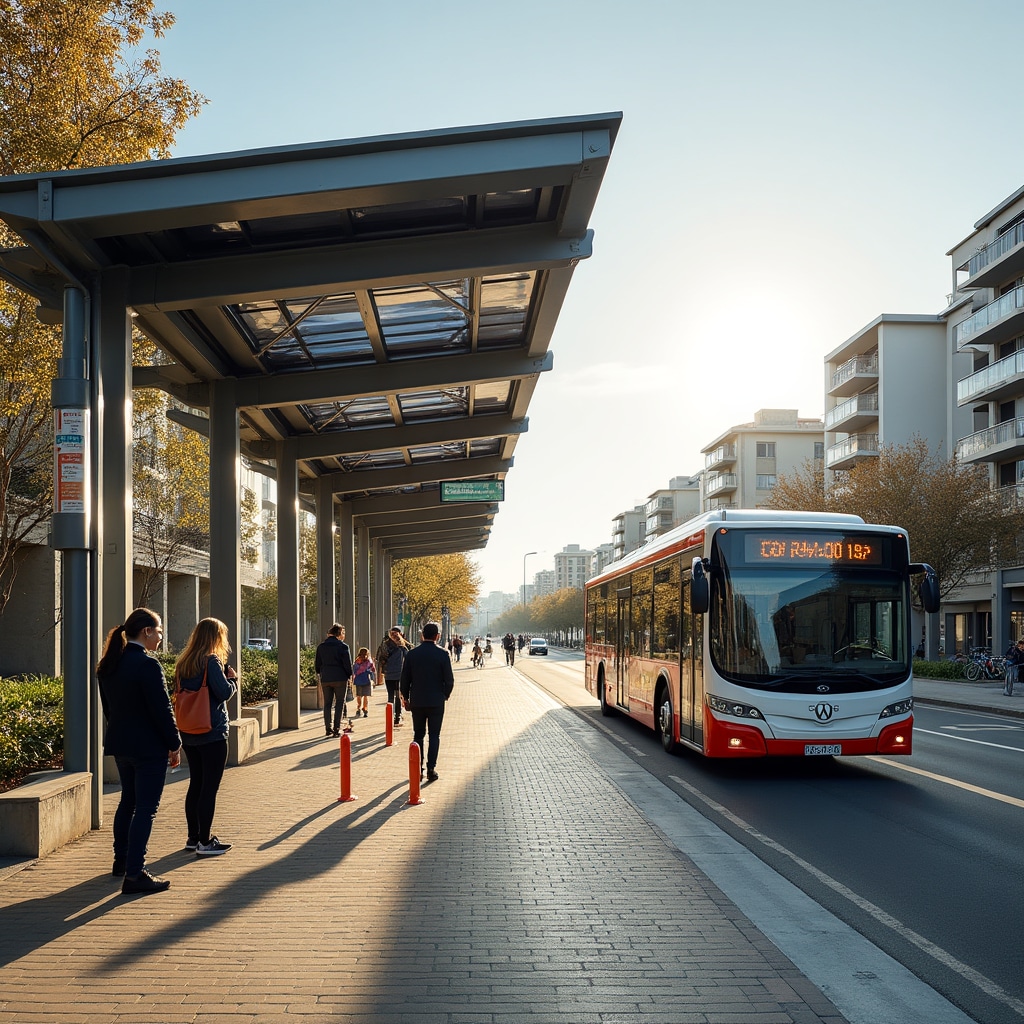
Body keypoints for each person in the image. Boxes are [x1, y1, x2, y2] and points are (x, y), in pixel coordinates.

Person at [96, 607, 181, 896]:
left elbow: (110, 710)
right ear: (146, 631)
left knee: (128, 802)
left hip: (122, 744)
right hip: (148, 747)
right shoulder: (147, 665)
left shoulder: (109, 664)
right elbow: (161, 708)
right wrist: (174, 742)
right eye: (158, 630)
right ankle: (135, 874)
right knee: (146, 808)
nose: (160, 636)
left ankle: (121, 861)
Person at [174, 617, 238, 857]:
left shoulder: (184, 663)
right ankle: (205, 841)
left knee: (196, 784)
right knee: (209, 788)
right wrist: (233, 680)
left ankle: (192, 837)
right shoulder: (211, 661)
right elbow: (222, 693)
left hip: (189, 732)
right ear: (215, 637)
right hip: (212, 732)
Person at [400, 621, 454, 782]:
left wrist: (406, 698)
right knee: (434, 735)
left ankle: (418, 769)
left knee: (418, 735)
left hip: (417, 700)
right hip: (436, 701)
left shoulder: (412, 654)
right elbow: (449, 680)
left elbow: (404, 680)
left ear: (422, 635)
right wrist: (444, 695)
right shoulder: (443, 654)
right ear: (437, 636)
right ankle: (431, 769)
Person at [316, 624, 354, 736]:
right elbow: (347, 664)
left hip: (326, 678)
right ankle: (336, 728)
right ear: (339, 634)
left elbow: (317, 664)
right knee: (339, 703)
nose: (343, 636)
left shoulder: (321, 647)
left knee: (327, 704)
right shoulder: (343, 647)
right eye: (343, 633)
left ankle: (328, 728)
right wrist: (349, 675)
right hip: (340, 678)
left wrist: (321, 674)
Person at [376, 626, 409, 727]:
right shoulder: (403, 646)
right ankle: (397, 717)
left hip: (389, 674)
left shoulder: (385, 645)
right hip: (399, 674)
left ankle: (390, 717)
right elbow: (408, 659)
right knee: (398, 696)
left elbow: (379, 658)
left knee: (390, 696)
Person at [352, 647, 376, 717]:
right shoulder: (369, 661)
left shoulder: (357, 661)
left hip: (358, 680)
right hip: (366, 679)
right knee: (365, 696)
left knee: (359, 695)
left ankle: (358, 708)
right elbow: (373, 670)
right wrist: (373, 679)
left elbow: (354, 670)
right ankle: (365, 709)